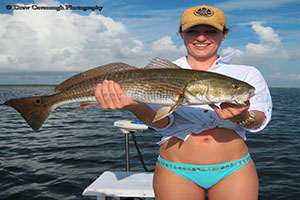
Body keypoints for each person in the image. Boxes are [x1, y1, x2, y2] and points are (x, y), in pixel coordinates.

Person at [94, 5, 272, 200]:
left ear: (224, 34)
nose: (201, 37)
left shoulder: (246, 73)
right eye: (192, 31)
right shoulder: (160, 74)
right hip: (176, 170)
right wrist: (134, 106)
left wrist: (244, 117)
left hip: (233, 169)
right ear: (181, 33)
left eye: (211, 31)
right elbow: (161, 123)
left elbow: (259, 118)